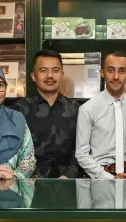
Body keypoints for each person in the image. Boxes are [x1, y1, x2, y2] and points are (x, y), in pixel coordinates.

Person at [75, 52, 126, 179]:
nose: (116, 76)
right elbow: (82, 154)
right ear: (102, 73)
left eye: (122, 71)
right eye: (111, 70)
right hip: (98, 178)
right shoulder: (87, 109)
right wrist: (108, 177)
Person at [15, 50, 80, 179]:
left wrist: (68, 175)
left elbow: (82, 149)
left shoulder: (76, 109)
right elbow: (14, 150)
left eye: (55, 70)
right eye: (43, 70)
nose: (50, 75)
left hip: (68, 183)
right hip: (30, 183)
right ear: (33, 76)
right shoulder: (19, 110)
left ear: (62, 75)